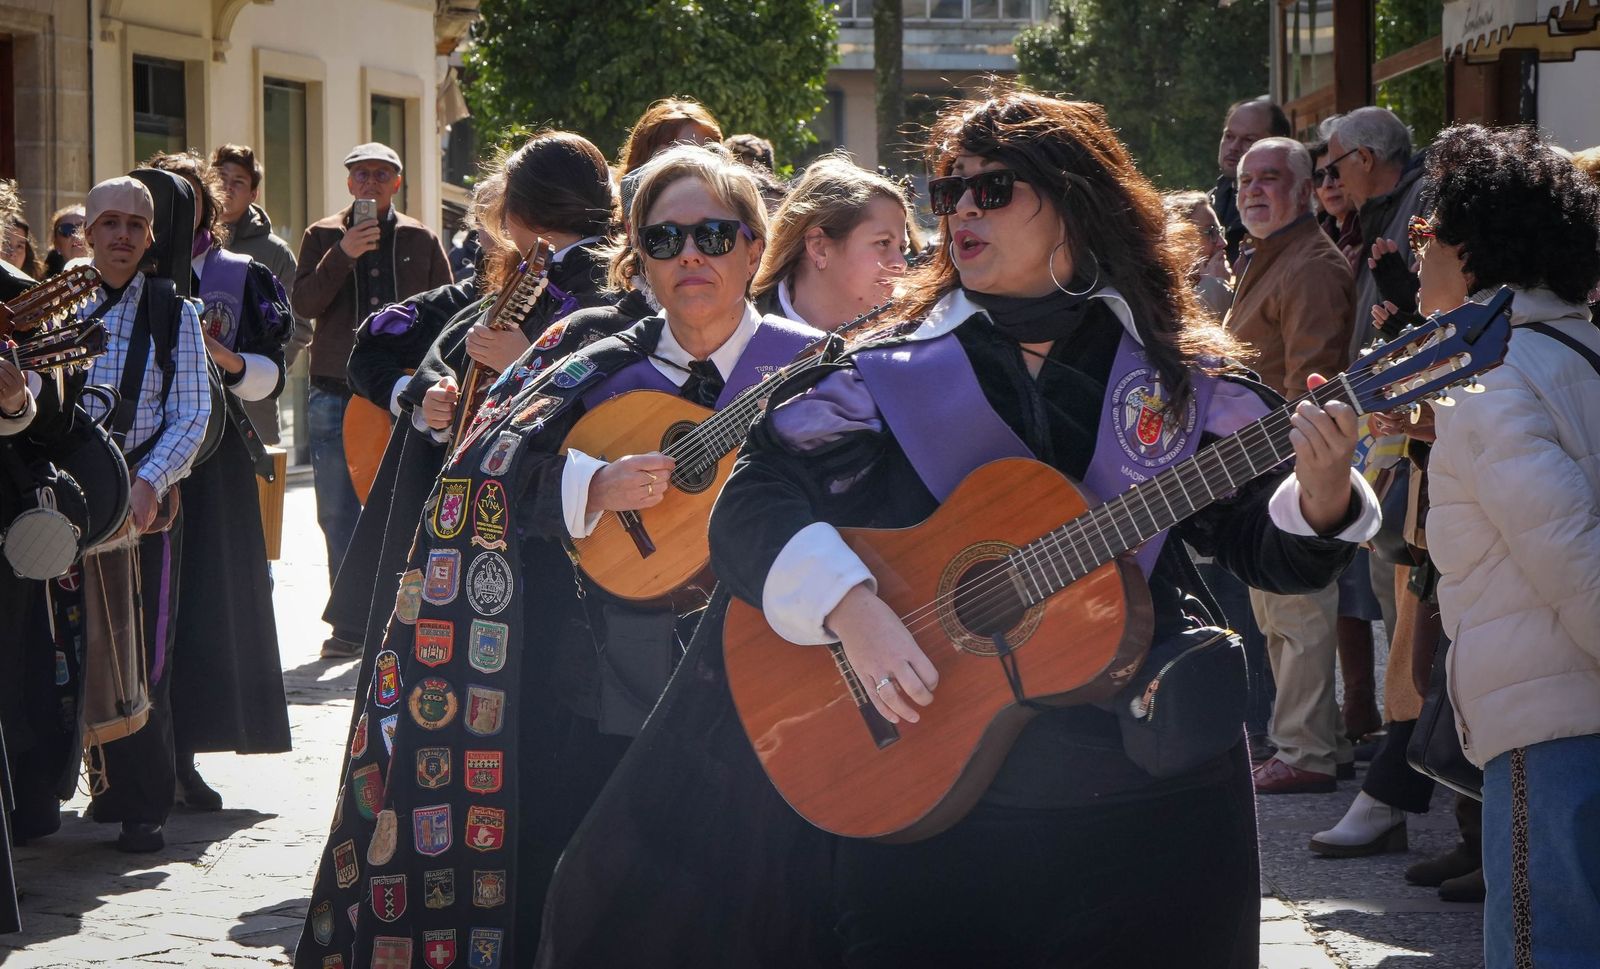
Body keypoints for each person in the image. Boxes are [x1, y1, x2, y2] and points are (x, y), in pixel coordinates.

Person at [538, 89, 1380, 969]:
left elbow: (1264, 548)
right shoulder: (884, 367)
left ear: (1075, 202)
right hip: (933, 793)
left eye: (994, 189)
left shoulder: (1179, 376)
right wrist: (850, 607)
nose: (962, 212)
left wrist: (1322, 493)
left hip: (1149, 795)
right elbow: (754, 503)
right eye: (949, 193)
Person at [293, 143, 821, 969]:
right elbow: (478, 473)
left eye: (715, 237)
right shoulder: (586, 351)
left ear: (755, 247)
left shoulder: (817, 368)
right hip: (590, 679)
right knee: (581, 882)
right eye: (663, 239)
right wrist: (589, 483)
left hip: (763, 687)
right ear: (634, 256)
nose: (690, 257)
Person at [322, 129, 643, 679]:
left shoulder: (600, 291)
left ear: (521, 211)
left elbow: (608, 412)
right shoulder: (523, 275)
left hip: (544, 534)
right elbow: (423, 348)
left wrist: (527, 362)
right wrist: (435, 396)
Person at [1409, 124, 1600, 969]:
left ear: (1475, 249)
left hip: (1553, 728)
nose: (1415, 251)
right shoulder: (1579, 348)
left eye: (1426, 232)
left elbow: (1571, 554)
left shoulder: (1491, 383)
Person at [143, 151, 294, 809]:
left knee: (200, 609)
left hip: (213, 462)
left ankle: (182, 756)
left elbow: (271, 374)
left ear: (206, 206)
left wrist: (224, 355)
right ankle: (127, 756)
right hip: (138, 460)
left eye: (187, 197)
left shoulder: (238, 276)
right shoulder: (121, 273)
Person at [74, 175, 212, 853]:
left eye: (136, 224)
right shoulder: (51, 308)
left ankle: (141, 803)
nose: (122, 236)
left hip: (141, 505)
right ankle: (74, 784)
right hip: (65, 502)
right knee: (70, 645)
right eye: (109, 223)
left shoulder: (174, 311)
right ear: (86, 232)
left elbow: (192, 414)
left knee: (142, 652)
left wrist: (151, 482)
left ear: (151, 237)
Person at [1222, 137, 1358, 795]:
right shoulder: (1271, 254)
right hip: (1258, 459)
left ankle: (1306, 750)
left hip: (1287, 456)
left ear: (1304, 190)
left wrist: (1297, 463)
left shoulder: (1307, 264)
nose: (1252, 189)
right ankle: (1306, 740)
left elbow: (1316, 378)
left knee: (1297, 611)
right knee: (1277, 613)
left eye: (1270, 178)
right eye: (1246, 179)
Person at [291, 142, 452, 606]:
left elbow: (448, 313)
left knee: (403, 505)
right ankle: (349, 618)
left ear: (397, 183)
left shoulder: (420, 238)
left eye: (382, 174)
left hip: (400, 393)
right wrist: (342, 253)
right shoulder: (322, 235)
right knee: (337, 510)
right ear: (348, 182)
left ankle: (396, 612)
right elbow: (303, 305)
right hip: (333, 390)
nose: (371, 183)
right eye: (361, 174)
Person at [213, 143, 308, 447]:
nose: (227, 187)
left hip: (254, 407)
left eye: (238, 181)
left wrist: (265, 371)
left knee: (258, 492)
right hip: (195, 398)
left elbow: (300, 324)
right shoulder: (189, 241)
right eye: (220, 178)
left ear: (253, 194)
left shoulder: (274, 252)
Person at [749, 153, 909, 331]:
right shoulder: (741, 330)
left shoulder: (909, 337)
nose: (901, 263)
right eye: (883, 242)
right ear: (819, 247)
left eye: (902, 248)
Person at [1324, 107, 1427, 360]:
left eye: (1335, 170)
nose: (1334, 183)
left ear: (1364, 158)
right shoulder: (1378, 213)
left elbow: (1439, 306)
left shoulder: (1424, 200)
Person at [1211, 96, 1291, 264]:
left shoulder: (1289, 210)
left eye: (1248, 140)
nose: (1233, 147)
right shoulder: (1208, 204)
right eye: (1229, 136)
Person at [1162, 190, 1233, 317]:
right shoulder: (1157, 297)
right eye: (1211, 232)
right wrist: (1213, 287)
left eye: (1220, 231)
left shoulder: (1232, 281)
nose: (1223, 243)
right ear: (1178, 241)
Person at [1308, 137, 1362, 270]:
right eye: (1319, 176)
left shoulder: (1375, 230)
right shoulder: (1314, 240)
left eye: (1334, 173)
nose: (1327, 185)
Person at [41, 204, 88, 279]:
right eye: (66, 229)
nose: (76, 235)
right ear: (56, 244)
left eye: (83, 226)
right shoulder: (45, 285)